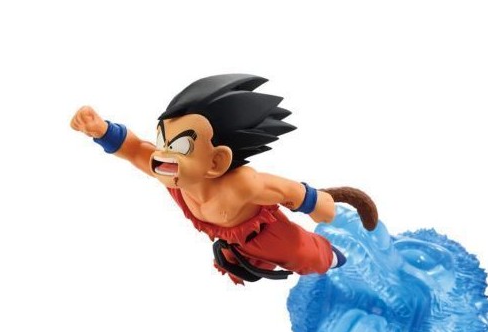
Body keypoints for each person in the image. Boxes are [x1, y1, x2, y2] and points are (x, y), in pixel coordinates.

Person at [70, 73, 377, 284]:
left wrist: (317, 203)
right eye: (163, 140)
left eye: (180, 147)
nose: (162, 153)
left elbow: (284, 190)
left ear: (217, 161)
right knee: (237, 266)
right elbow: (137, 149)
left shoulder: (241, 185)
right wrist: (102, 131)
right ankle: (252, 261)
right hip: (231, 239)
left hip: (265, 233)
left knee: (306, 257)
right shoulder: (173, 177)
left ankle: (335, 259)